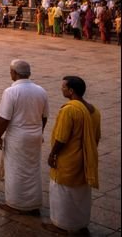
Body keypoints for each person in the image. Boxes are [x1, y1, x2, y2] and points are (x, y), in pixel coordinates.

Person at [44, 76, 101, 234]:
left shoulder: (70, 110)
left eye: (63, 87)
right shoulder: (94, 111)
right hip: (83, 159)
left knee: (63, 193)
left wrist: (53, 154)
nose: (61, 89)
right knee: (81, 194)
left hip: (68, 160)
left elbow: (61, 137)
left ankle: (61, 225)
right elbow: (96, 137)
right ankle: (80, 224)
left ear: (71, 91)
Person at [0, 60, 48, 216]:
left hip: (18, 137)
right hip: (35, 135)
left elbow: (4, 118)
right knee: (32, 170)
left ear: (14, 73)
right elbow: (44, 116)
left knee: (15, 170)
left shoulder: (11, 92)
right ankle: (32, 203)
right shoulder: (41, 91)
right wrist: (39, 131)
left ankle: (16, 204)